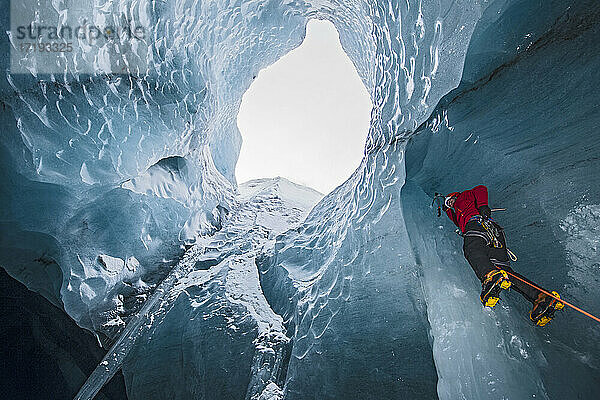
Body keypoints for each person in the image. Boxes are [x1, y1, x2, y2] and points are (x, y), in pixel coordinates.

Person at [443, 185, 563, 326]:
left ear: (455, 196)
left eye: (450, 201)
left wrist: (482, 206)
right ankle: (542, 297)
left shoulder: (464, 197)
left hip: (478, 225)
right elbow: (457, 219)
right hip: (495, 233)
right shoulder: (459, 212)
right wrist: (446, 209)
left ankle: (489, 276)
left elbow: (480, 189)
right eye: (449, 204)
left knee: (472, 249)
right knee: (505, 272)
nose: (450, 204)